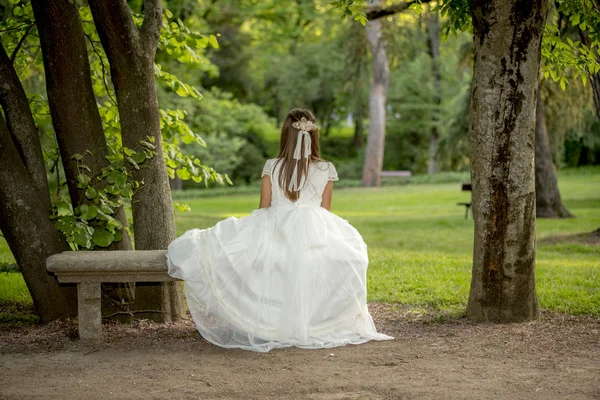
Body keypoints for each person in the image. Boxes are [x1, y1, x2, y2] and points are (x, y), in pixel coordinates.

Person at [166, 108, 393, 352]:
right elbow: (325, 211)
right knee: (347, 254)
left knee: (255, 255)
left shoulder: (272, 167)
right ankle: (315, 322)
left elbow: (264, 207)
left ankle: (269, 323)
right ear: (314, 137)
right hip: (316, 228)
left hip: (275, 225)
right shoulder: (325, 168)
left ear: (285, 136)